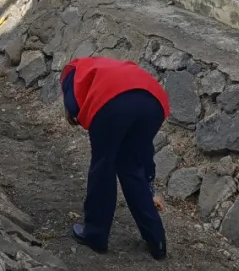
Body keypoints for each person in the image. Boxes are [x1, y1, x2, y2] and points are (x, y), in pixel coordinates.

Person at [61, 57, 169, 261]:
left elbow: (73, 107)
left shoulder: (70, 73)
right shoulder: (107, 66)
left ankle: (95, 234)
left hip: (112, 102)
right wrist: (150, 185)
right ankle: (157, 241)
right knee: (131, 166)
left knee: (103, 165)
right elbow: (145, 151)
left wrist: (71, 113)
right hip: (155, 101)